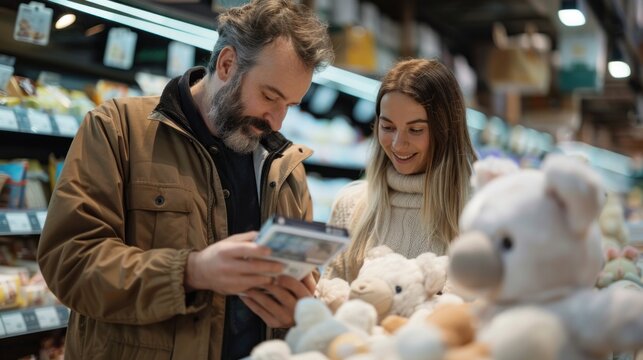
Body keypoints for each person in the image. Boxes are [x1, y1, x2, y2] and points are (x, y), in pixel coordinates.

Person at [36, 1, 333, 359]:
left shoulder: (285, 166)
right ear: (226, 64)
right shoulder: (118, 129)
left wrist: (298, 315)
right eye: (270, 96)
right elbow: (70, 263)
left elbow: (298, 286)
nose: (278, 121)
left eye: (290, 105)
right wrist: (191, 272)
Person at [323, 59, 477, 283]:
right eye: (387, 127)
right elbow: (328, 299)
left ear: (445, 131)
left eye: (415, 130)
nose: (397, 144)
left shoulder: (477, 212)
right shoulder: (350, 206)